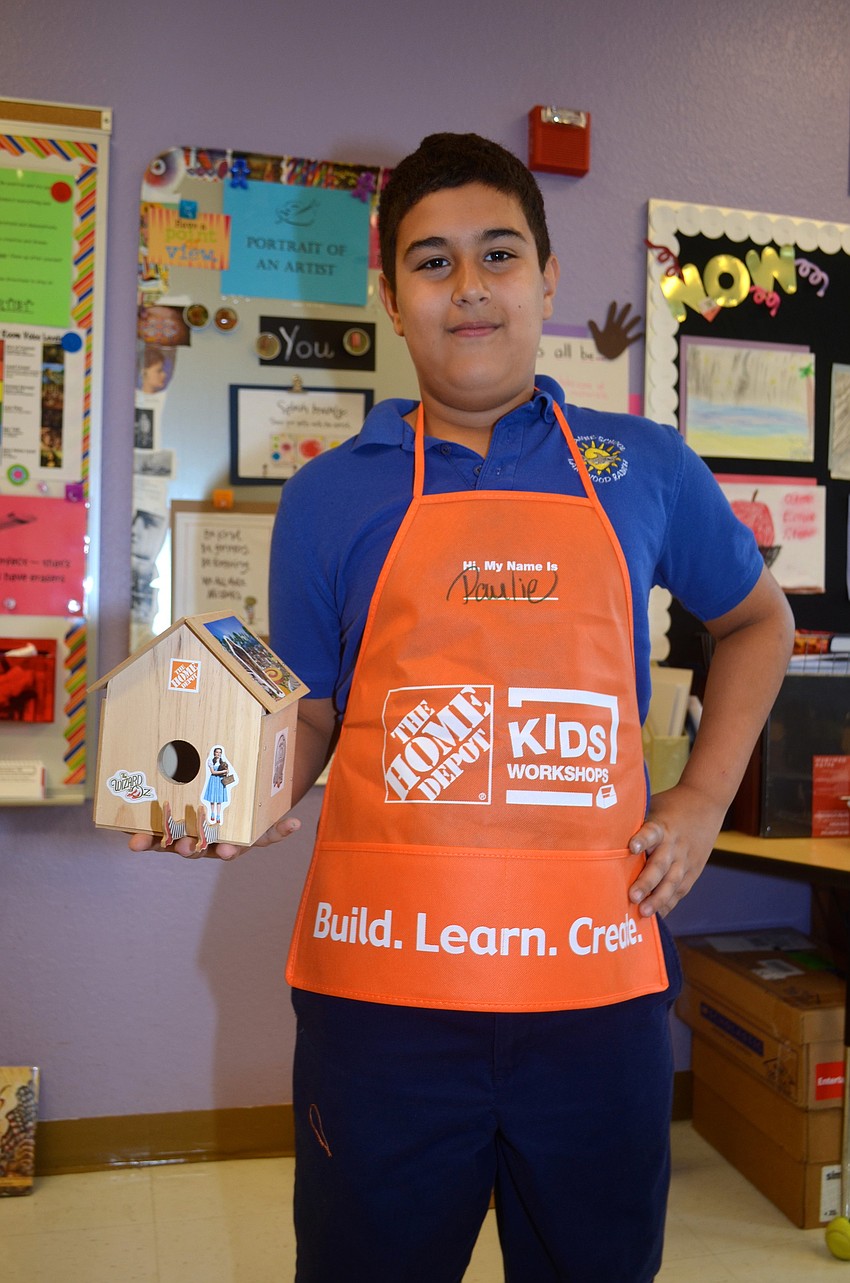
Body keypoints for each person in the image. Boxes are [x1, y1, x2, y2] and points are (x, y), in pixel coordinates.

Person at [130, 133, 794, 1281]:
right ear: (390, 296)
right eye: (431, 263)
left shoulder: (644, 465)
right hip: (382, 1001)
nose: (469, 286)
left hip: (592, 989)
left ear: (544, 274)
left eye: (497, 253)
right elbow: (316, 715)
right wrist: (226, 797)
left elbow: (757, 620)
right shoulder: (332, 494)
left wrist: (698, 797)